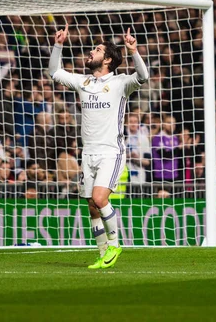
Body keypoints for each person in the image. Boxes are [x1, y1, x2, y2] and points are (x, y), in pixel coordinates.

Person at [49, 24, 149, 269]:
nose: (91, 52)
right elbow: (54, 72)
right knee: (92, 206)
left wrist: (133, 51)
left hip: (110, 153)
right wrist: (58, 45)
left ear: (107, 60)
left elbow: (143, 77)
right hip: (88, 153)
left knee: (99, 198)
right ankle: (102, 251)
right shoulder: (83, 82)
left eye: (96, 49)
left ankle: (115, 244)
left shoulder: (120, 83)